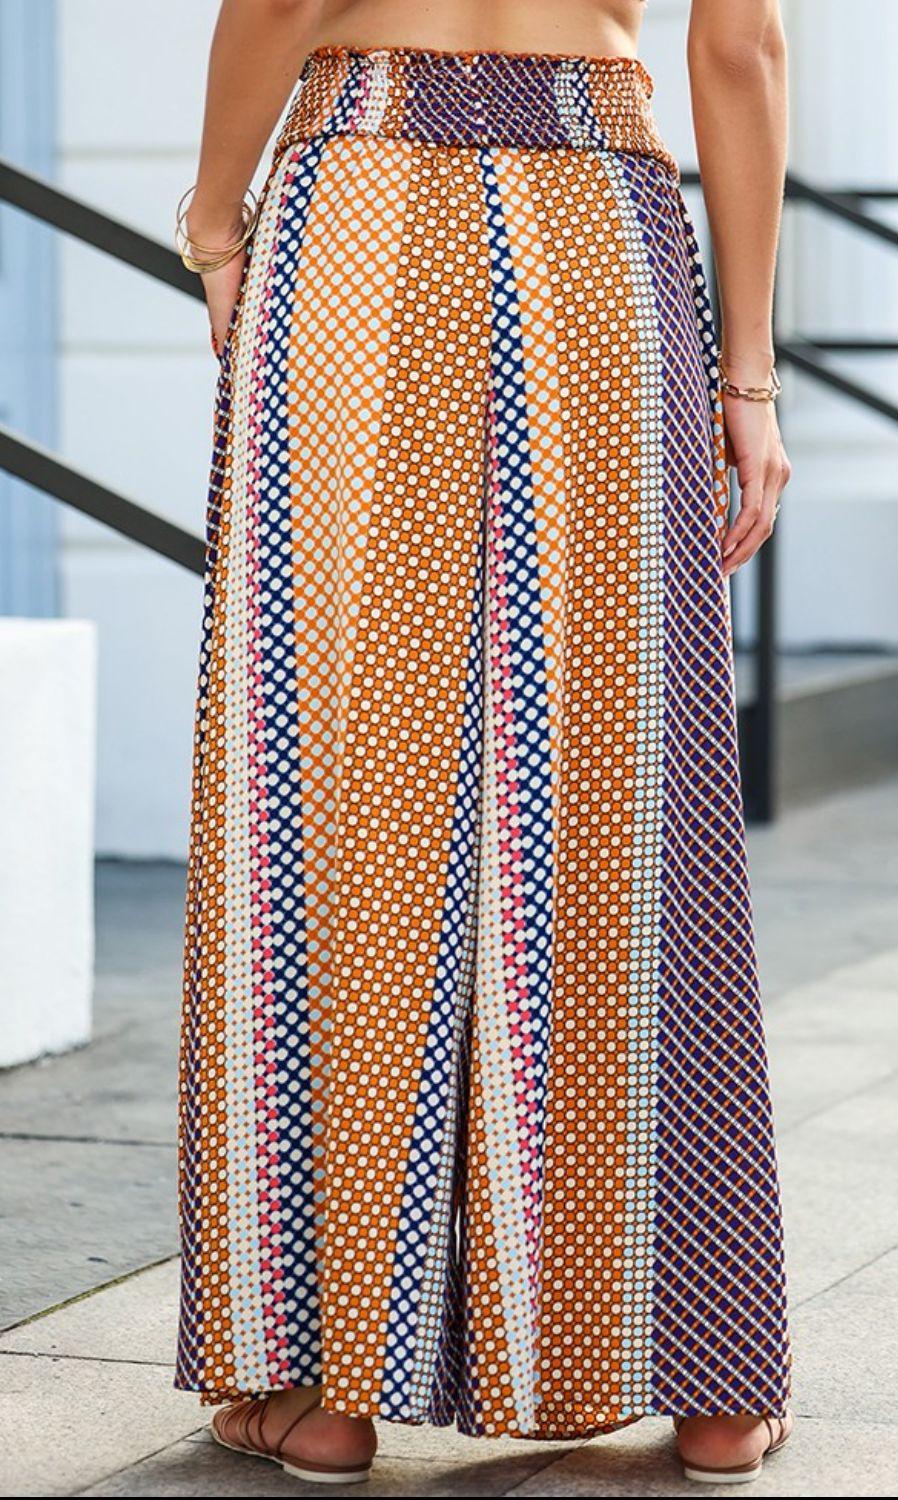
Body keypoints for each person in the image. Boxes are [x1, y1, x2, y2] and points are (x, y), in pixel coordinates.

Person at [175, 0, 793, 1485]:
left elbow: (283, 1)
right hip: (597, 216)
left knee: (336, 780)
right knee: (617, 787)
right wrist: (750, 373)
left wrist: (212, 214)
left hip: (361, 210)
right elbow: (742, 41)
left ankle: (324, 1382)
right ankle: (692, 1369)